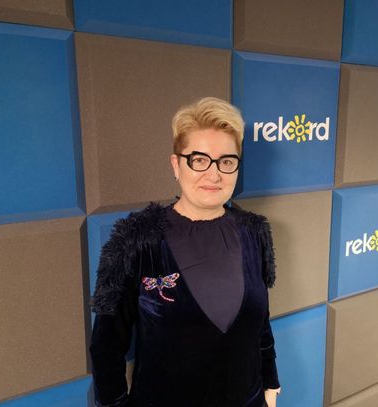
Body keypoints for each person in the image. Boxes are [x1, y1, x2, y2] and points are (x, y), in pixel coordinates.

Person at [89, 97, 282, 406]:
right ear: (176, 165)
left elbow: (260, 326)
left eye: (226, 161)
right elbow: (106, 347)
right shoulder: (136, 241)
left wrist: (270, 385)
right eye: (199, 160)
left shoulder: (254, 232)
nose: (214, 174)